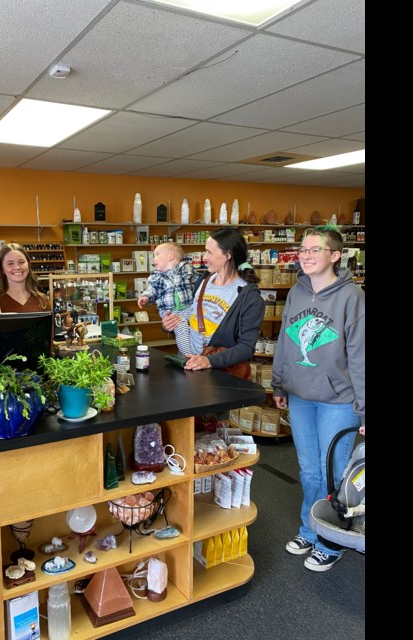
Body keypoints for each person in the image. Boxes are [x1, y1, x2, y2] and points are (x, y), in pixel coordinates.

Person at [271, 225, 364, 573]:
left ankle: (331, 542)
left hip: (337, 401)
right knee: (309, 472)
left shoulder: (352, 298)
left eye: (315, 249)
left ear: (335, 255)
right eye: (303, 249)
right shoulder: (296, 292)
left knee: (333, 476)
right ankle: (310, 530)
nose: (306, 255)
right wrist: (279, 384)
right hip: (300, 397)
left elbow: (360, 356)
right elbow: (284, 342)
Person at [161, 227, 264, 372]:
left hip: (218, 373)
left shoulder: (249, 297)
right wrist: (170, 325)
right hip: (189, 366)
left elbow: (246, 347)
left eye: (209, 252)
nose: (205, 257)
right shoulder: (204, 281)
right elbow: (192, 320)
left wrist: (208, 361)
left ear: (228, 255)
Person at [137, 242, 204, 355]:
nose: (154, 259)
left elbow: (200, 282)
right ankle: (188, 356)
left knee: (198, 327)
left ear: (171, 256)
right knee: (181, 328)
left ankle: (200, 353)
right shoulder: (156, 276)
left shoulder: (187, 268)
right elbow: (151, 290)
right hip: (170, 312)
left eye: (157, 254)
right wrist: (146, 297)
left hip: (189, 308)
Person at [0, 242, 50, 312]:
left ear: (28, 264)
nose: (17, 267)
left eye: (21, 262)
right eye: (10, 263)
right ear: (2, 268)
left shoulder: (42, 300)